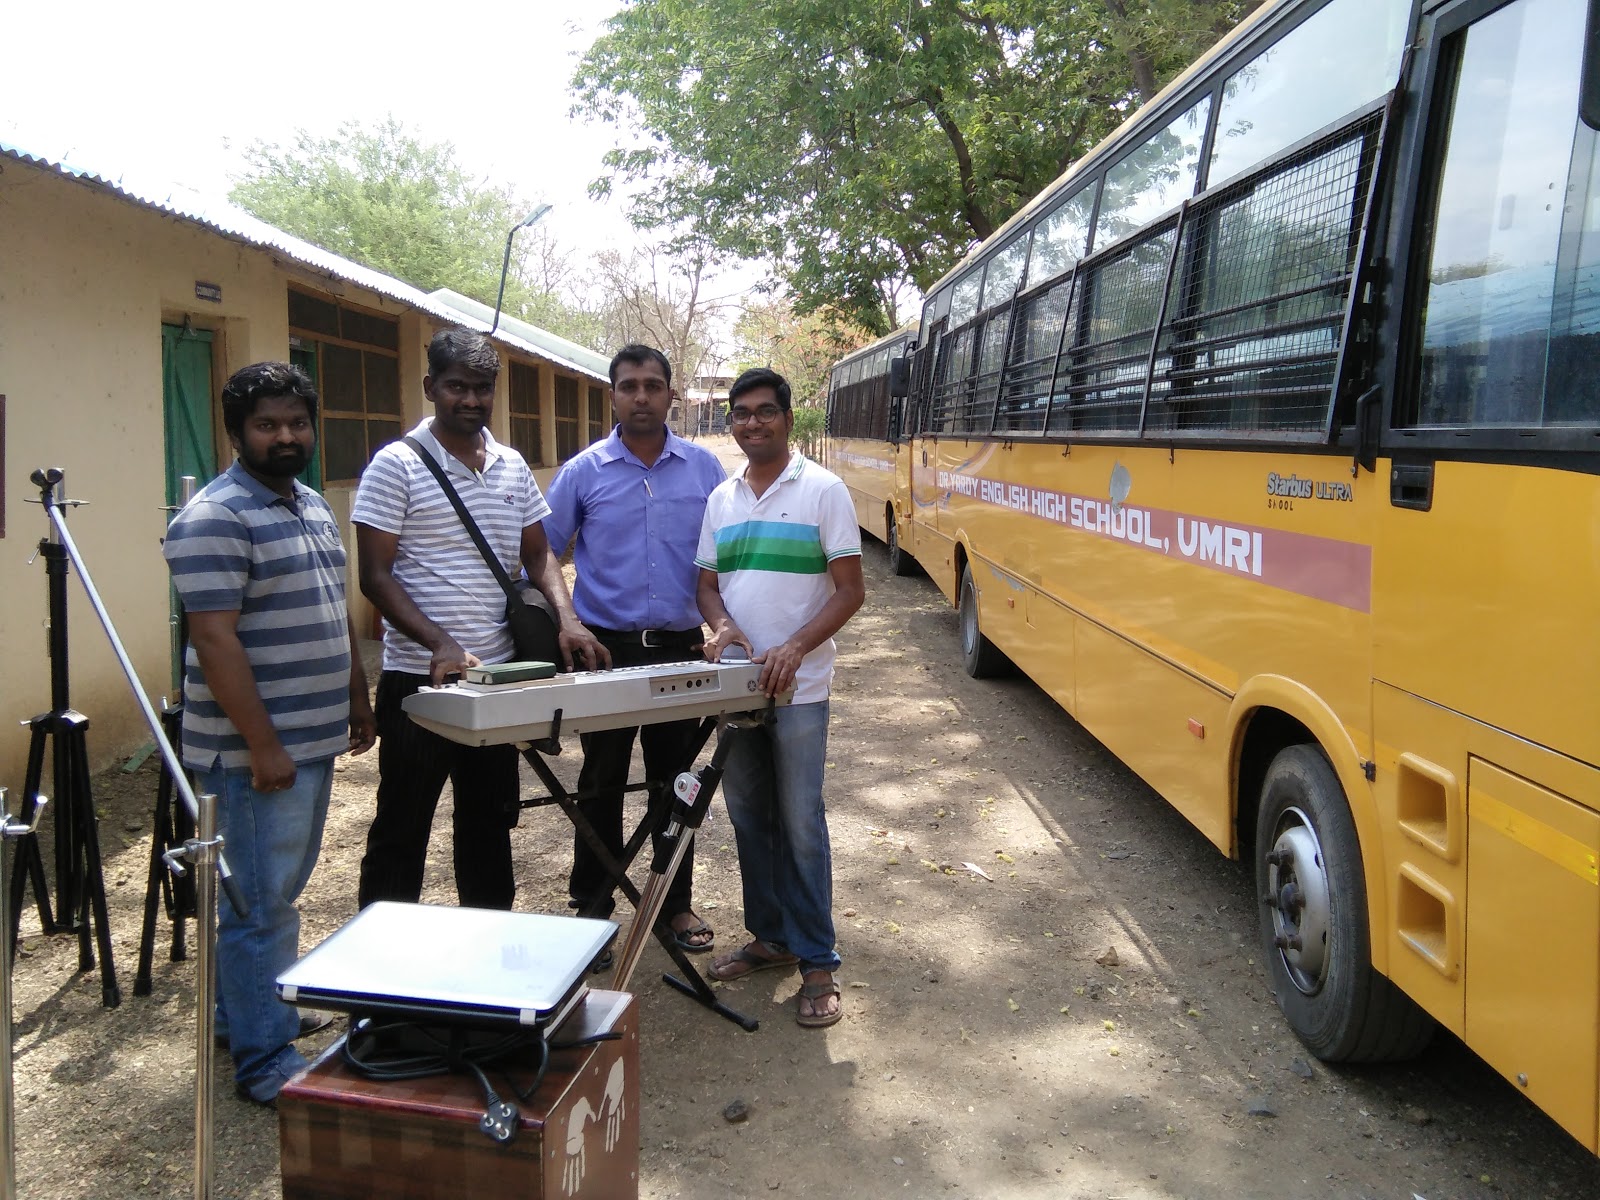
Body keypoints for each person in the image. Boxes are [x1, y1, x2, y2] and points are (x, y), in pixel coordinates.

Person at [163, 361, 376, 1106]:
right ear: (236, 433)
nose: (285, 437)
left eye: (296, 423)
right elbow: (213, 640)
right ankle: (265, 1059)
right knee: (260, 904)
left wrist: (356, 696)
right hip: (253, 753)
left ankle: (244, 1015)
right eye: (266, 425)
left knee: (275, 889)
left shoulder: (310, 504)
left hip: (309, 739)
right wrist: (262, 745)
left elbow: (332, 611)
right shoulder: (215, 517)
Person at [352, 328, 607, 912]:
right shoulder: (395, 465)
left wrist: (568, 619)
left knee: (490, 825)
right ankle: (381, 964)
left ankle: (491, 949)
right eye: (456, 386)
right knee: (401, 830)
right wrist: (438, 641)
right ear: (430, 387)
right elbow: (375, 576)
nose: (470, 399)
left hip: (498, 680)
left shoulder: (512, 466)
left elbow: (539, 554)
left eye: (482, 388)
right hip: (421, 681)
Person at [694, 367, 865, 1028]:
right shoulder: (722, 498)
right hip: (737, 687)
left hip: (801, 690)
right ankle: (771, 938)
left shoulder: (824, 490)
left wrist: (795, 646)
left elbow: (850, 591)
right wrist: (722, 626)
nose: (752, 422)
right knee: (748, 817)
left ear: (788, 420)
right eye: (741, 413)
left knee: (800, 822)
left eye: (765, 411)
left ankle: (818, 960)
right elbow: (707, 585)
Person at [543, 344, 727, 952]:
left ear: (671, 393)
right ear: (613, 395)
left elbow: (728, 553)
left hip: (681, 648)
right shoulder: (583, 471)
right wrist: (567, 620)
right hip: (605, 651)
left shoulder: (704, 470)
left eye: (652, 385)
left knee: (677, 781)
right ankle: (593, 906)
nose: (641, 396)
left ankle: (674, 903)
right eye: (629, 386)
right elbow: (542, 552)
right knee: (600, 779)